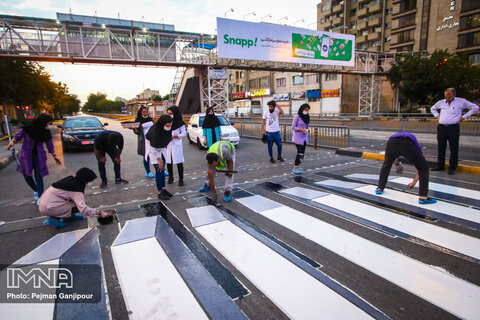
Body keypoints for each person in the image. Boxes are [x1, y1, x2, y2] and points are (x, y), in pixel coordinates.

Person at [6, 113, 61, 202]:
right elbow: (17, 136)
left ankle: (41, 197)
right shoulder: (28, 129)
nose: (50, 126)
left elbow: (49, 145)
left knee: (39, 177)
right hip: (26, 156)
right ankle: (35, 190)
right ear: (43, 122)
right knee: (27, 175)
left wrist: (54, 156)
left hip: (39, 156)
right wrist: (12, 142)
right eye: (49, 124)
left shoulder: (46, 133)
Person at [376, 132, 436, 204]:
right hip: (407, 144)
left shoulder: (395, 138)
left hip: (392, 142)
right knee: (424, 168)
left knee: (387, 165)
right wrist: (414, 182)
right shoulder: (416, 146)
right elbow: (420, 167)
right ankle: (423, 197)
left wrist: (397, 165)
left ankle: (380, 188)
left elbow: (393, 157)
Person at [39, 167, 110, 228]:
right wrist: (100, 212)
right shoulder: (76, 190)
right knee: (80, 205)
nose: (91, 183)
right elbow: (84, 209)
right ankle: (53, 219)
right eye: (90, 181)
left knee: (76, 203)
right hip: (48, 207)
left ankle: (67, 217)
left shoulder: (72, 180)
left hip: (44, 202)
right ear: (86, 180)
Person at [430, 88, 479, 175]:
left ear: (453, 95)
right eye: (446, 95)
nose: (447, 97)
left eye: (449, 95)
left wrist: (464, 117)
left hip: (453, 128)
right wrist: (437, 116)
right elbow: (433, 108)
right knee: (441, 147)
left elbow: (475, 107)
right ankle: (440, 165)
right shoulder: (441, 102)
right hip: (442, 127)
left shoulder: (461, 101)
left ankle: (452, 167)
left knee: (454, 148)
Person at [146, 115, 174, 200]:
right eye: (167, 126)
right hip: (152, 149)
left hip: (160, 148)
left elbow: (165, 139)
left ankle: (163, 189)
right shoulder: (155, 132)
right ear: (162, 124)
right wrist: (159, 159)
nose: (169, 127)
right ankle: (159, 192)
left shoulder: (163, 129)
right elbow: (153, 147)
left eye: (170, 125)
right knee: (159, 169)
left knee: (162, 169)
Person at [166, 106, 186, 186]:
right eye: (168, 114)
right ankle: (171, 177)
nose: (170, 115)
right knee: (169, 162)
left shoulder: (180, 123)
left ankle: (181, 179)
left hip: (176, 144)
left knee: (179, 162)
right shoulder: (167, 122)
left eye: (171, 114)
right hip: (168, 145)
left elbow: (184, 133)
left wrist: (175, 136)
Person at [133, 106, 155, 178]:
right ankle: (148, 172)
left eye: (146, 112)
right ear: (141, 112)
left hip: (152, 139)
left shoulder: (150, 119)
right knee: (146, 156)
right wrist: (134, 129)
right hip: (144, 140)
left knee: (156, 154)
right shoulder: (138, 120)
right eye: (144, 112)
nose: (145, 113)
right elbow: (137, 132)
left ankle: (161, 169)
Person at [292, 103, 310, 174]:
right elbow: (293, 127)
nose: (306, 111)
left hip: (304, 137)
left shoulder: (307, 117)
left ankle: (299, 166)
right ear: (302, 109)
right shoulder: (297, 116)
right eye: (305, 110)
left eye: (308, 110)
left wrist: (308, 129)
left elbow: (307, 125)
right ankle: (295, 167)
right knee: (300, 152)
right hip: (298, 137)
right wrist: (301, 129)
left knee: (302, 153)